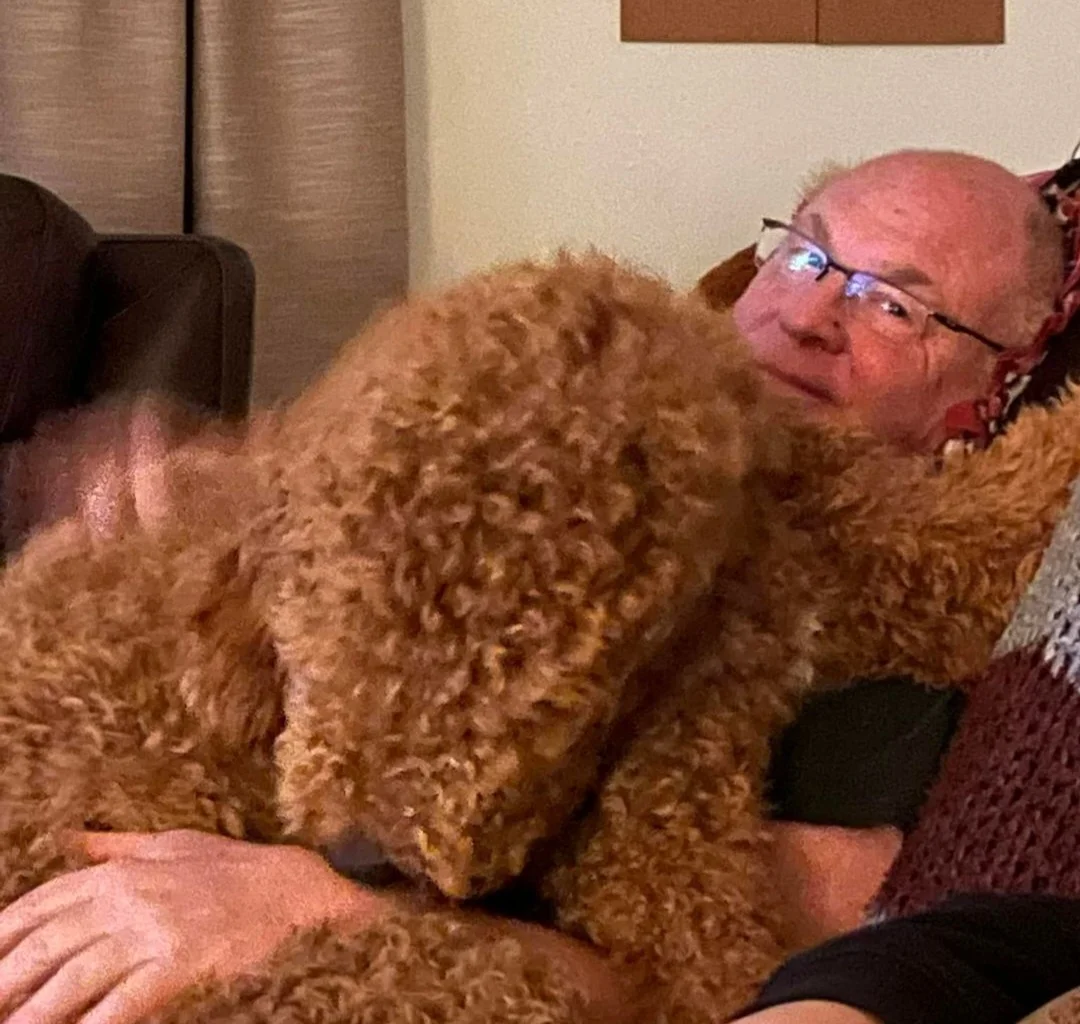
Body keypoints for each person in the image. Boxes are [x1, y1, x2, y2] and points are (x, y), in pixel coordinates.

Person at [0, 147, 1076, 1024]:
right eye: (804, 257)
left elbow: (699, 965)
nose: (804, 317)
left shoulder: (932, 679)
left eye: (893, 306)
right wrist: (210, 490)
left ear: (994, 390)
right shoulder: (585, 404)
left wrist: (321, 913)